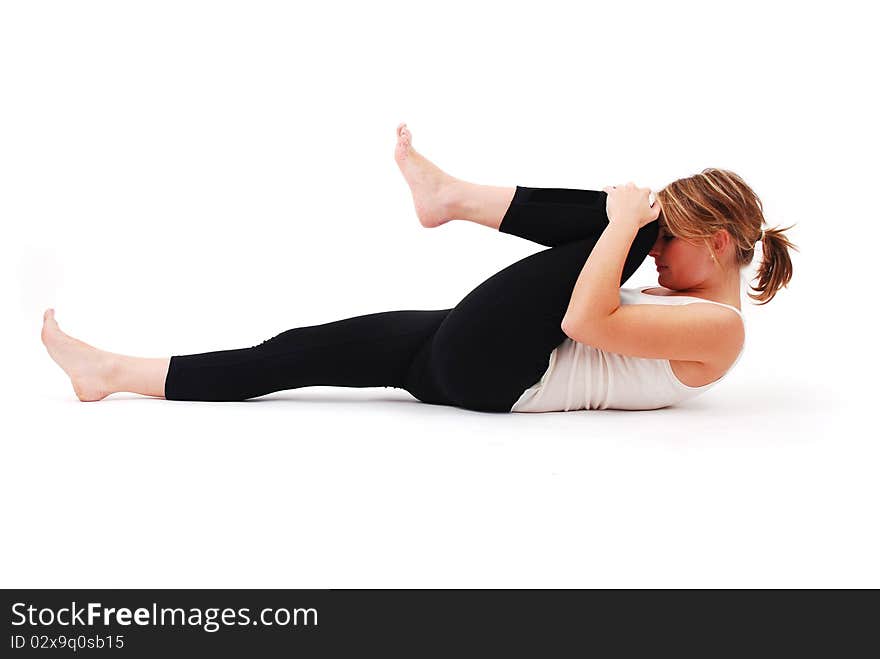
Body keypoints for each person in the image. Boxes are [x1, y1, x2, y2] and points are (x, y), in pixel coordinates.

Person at [40, 123, 798, 412]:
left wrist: (634, 223)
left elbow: (580, 319)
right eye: (662, 239)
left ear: (724, 240)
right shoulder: (689, 310)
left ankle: (454, 197)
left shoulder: (722, 331)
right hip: (452, 358)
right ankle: (112, 372)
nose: (658, 253)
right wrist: (625, 224)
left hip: (507, 375)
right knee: (290, 352)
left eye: (675, 238)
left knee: (621, 225)